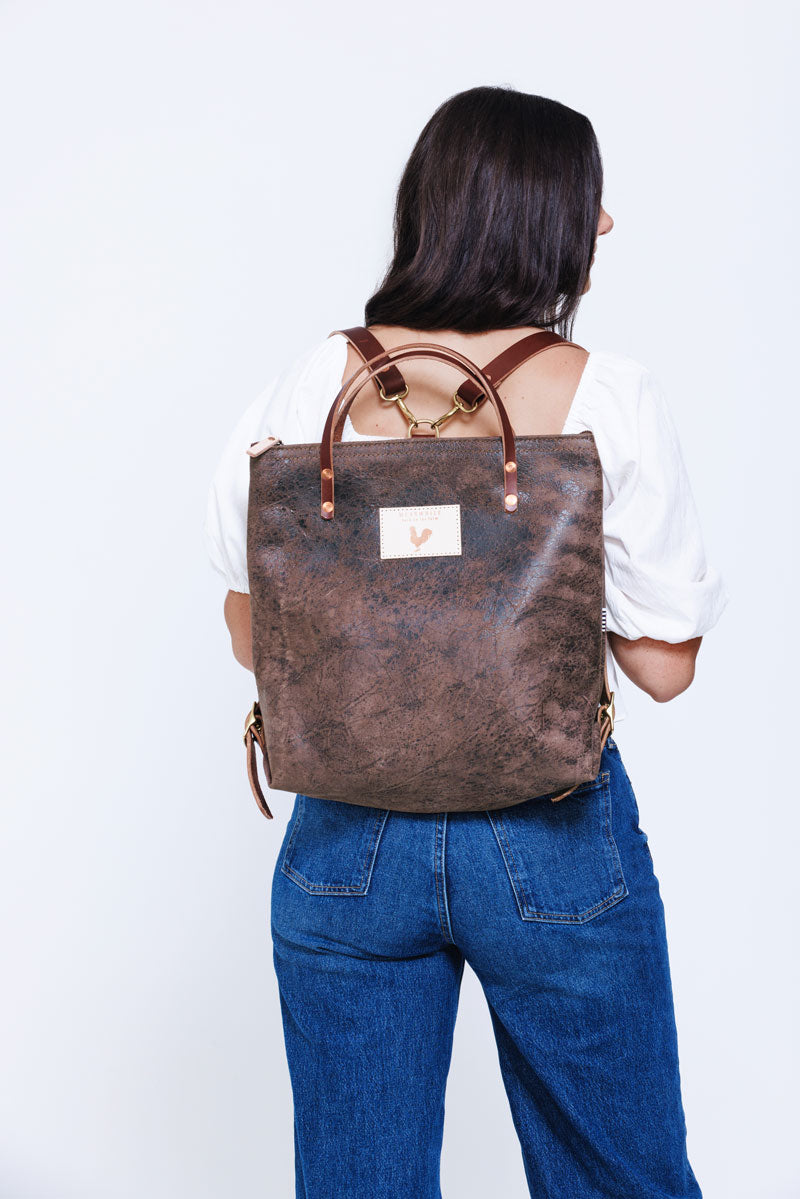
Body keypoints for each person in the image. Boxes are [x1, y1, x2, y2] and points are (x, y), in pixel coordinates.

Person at [203, 86, 728, 1199]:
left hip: (345, 848)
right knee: (614, 1177)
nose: (606, 225)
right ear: (538, 213)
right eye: (591, 200)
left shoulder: (317, 383)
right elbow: (662, 666)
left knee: (358, 1183)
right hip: (548, 839)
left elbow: (253, 628)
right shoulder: (604, 396)